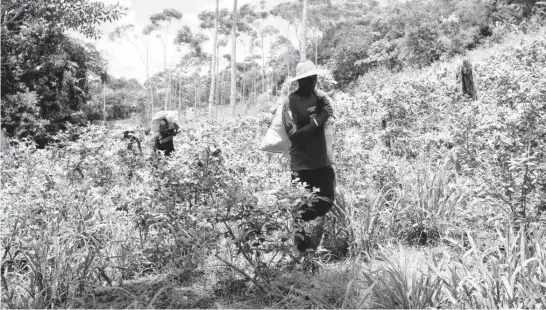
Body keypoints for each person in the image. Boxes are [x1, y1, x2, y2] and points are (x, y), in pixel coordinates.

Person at [282, 60, 336, 254]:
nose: (313, 81)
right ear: (299, 81)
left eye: (314, 77)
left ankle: (309, 240)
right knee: (300, 209)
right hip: (301, 165)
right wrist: (318, 120)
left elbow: (329, 115)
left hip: (322, 162)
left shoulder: (321, 97)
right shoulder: (290, 102)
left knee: (327, 200)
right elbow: (293, 134)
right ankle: (302, 253)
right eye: (308, 78)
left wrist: (325, 112)